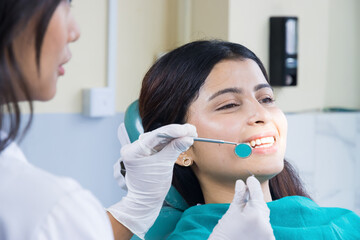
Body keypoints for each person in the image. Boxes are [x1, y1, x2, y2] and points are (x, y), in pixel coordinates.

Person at [0, 1, 197, 239]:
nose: (75, 31)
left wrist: (137, 206)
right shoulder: (48, 209)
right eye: (63, 5)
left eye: (258, 98)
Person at [138, 40, 360, 239]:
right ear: (179, 148)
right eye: (229, 105)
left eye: (266, 98)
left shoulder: (346, 224)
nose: (262, 115)